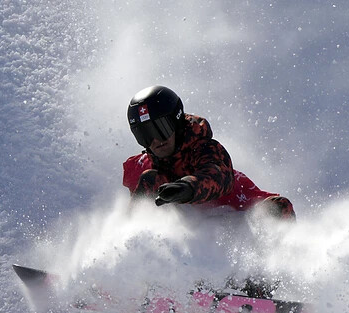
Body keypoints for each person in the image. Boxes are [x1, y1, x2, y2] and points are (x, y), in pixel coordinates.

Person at [122, 85, 295, 220]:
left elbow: (218, 175)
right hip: (192, 231)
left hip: (237, 213)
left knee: (279, 207)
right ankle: (134, 254)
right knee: (150, 179)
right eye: (145, 136)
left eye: (161, 129)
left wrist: (188, 187)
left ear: (176, 122)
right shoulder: (140, 166)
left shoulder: (205, 148)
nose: (155, 141)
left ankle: (272, 262)